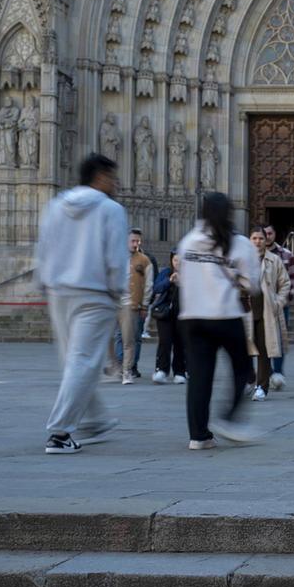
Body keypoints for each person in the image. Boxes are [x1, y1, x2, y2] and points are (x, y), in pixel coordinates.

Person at [35, 153, 128, 454]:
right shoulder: (111, 209)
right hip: (94, 293)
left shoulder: (56, 205)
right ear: (100, 177)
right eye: (112, 178)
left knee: (74, 360)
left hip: (58, 291)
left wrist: (43, 282)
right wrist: (117, 291)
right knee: (84, 362)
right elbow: (115, 256)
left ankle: (94, 419)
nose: (115, 184)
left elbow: (44, 247)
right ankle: (60, 434)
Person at [177, 192, 261, 450]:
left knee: (200, 376)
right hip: (224, 314)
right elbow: (253, 285)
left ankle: (198, 436)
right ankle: (228, 419)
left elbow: (181, 274)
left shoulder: (188, 240)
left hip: (191, 317)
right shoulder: (239, 243)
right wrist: (236, 281)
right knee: (242, 368)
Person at [246, 226, 290, 402]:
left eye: (261, 238)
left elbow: (285, 283)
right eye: (254, 238)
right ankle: (249, 380)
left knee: (264, 350)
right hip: (246, 310)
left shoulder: (274, 260)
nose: (258, 242)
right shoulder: (242, 261)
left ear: (266, 241)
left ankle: (261, 386)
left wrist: (278, 302)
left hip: (266, 310)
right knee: (245, 350)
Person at [113, 228, 152, 384]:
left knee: (129, 339)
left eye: (138, 241)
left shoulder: (144, 260)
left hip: (131, 304)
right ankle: (119, 367)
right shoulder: (116, 258)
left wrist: (144, 305)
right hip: (114, 303)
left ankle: (127, 371)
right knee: (115, 338)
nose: (136, 244)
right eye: (133, 241)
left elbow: (149, 285)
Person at [263, 224, 294, 390]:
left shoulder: (286, 254)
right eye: (264, 234)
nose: (267, 237)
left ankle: (277, 372)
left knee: (279, 337)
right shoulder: (253, 255)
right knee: (261, 339)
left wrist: (284, 300)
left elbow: (292, 279)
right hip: (259, 304)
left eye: (270, 233)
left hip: (279, 302)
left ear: (275, 234)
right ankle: (266, 373)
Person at [151, 250, 186, 385]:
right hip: (165, 314)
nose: (178, 263)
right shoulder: (166, 272)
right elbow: (156, 288)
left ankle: (180, 372)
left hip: (182, 314)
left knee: (180, 344)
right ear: (171, 261)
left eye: (180, 260)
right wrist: (169, 281)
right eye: (175, 260)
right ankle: (161, 370)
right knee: (164, 342)